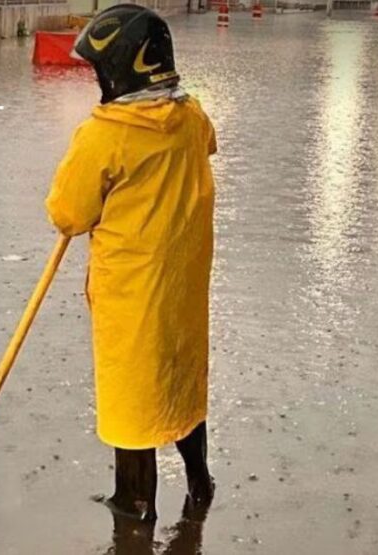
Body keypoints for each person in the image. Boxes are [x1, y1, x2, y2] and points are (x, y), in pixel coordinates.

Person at [45, 4, 217, 523]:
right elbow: (208, 145)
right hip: (183, 284)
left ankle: (135, 505)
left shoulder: (105, 135)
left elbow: (68, 213)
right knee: (182, 381)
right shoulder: (193, 116)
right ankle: (199, 482)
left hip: (134, 293)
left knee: (133, 398)